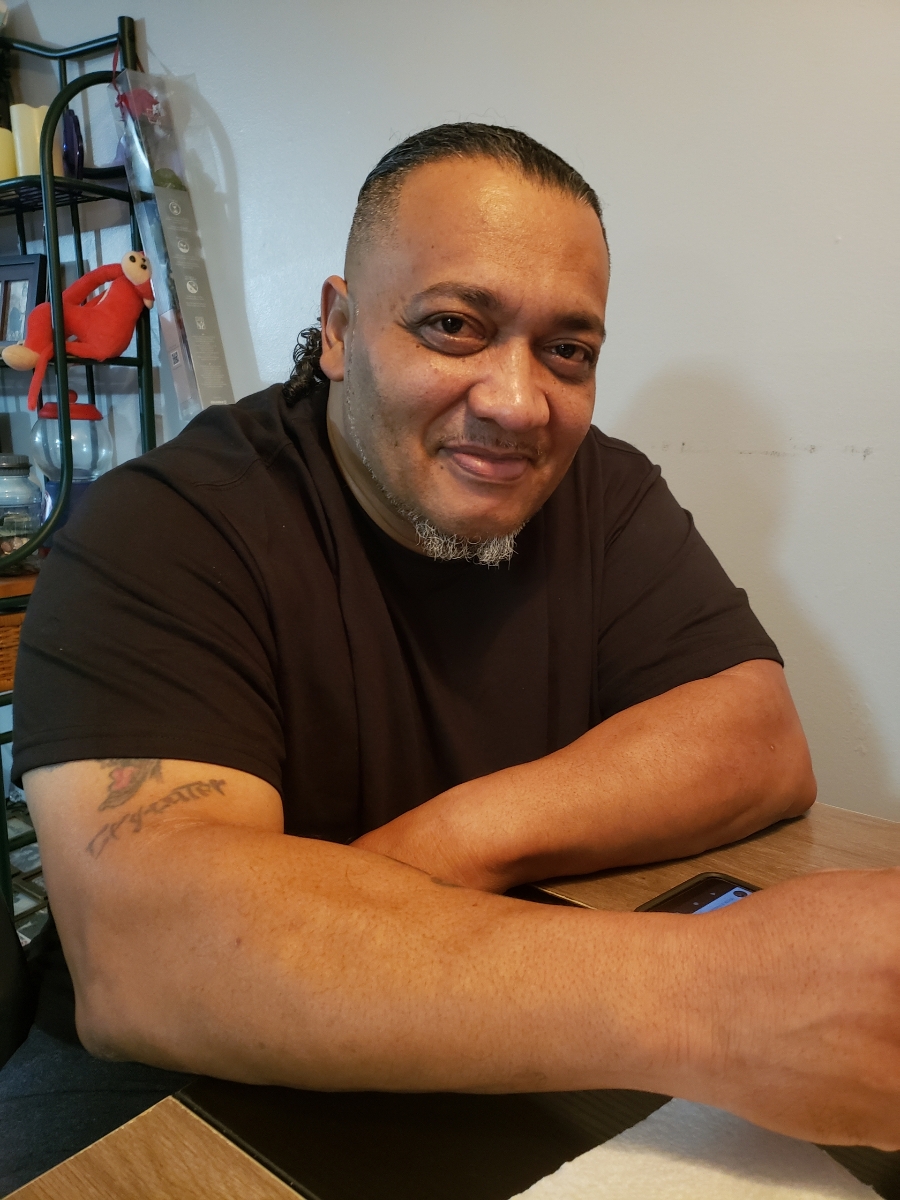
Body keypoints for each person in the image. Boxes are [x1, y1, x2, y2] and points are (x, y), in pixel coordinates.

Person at [3, 124, 898, 1190]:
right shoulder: (162, 525)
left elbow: (755, 738)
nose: (518, 402)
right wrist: (712, 1000)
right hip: (166, 1097)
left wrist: (437, 849)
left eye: (568, 350)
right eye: (454, 326)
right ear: (340, 330)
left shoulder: (601, 491)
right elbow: (152, 955)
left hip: (486, 1032)